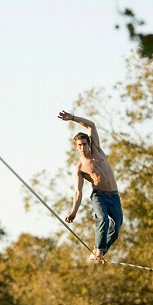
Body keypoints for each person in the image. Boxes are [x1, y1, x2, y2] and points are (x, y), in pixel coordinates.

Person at [58, 110, 123, 262]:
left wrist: (73, 118)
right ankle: (99, 250)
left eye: (85, 144)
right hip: (99, 196)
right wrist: (73, 211)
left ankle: (98, 252)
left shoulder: (97, 150)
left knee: (117, 226)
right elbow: (78, 192)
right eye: (79, 145)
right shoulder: (80, 167)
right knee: (103, 220)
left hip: (114, 196)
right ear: (76, 147)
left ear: (89, 143)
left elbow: (91, 125)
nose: (83, 147)